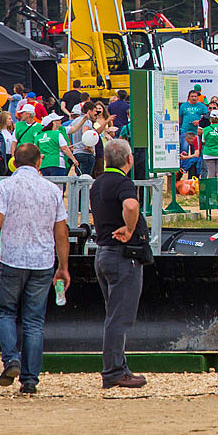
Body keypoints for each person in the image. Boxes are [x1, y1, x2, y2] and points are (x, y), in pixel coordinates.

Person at [0, 143, 71, 394]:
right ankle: (30, 380)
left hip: (12, 259)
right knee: (34, 320)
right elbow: (61, 232)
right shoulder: (52, 190)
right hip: (42, 262)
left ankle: (11, 359)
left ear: (14, 161)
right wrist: (63, 266)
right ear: (39, 162)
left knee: (5, 312)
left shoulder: (5, 187)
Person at [90, 137, 148, 389]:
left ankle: (119, 367)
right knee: (119, 318)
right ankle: (114, 371)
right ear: (129, 159)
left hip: (102, 253)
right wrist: (130, 228)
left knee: (113, 314)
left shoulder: (98, 183)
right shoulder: (123, 182)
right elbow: (131, 205)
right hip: (122, 255)